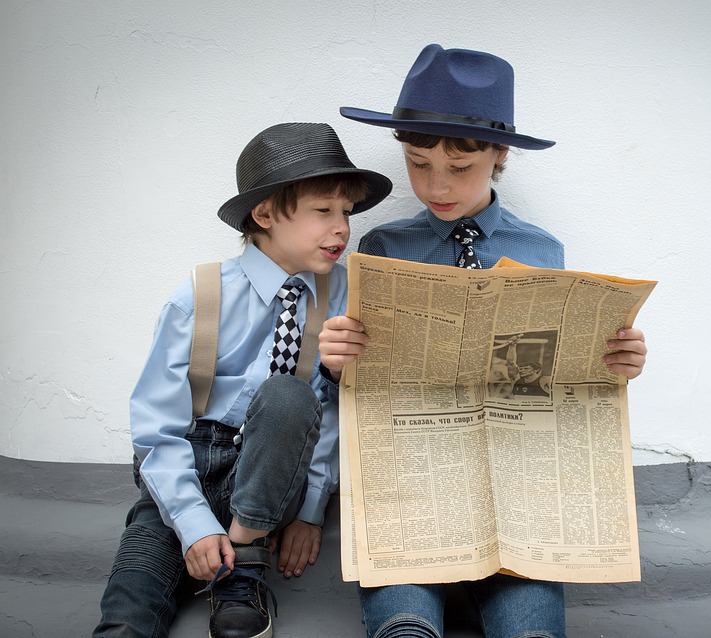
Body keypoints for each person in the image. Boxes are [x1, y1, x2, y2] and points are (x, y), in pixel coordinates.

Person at [320, 45, 647, 638]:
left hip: (517, 498)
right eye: (417, 164)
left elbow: (553, 383)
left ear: (499, 155)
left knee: (531, 630)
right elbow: (362, 387)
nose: (435, 185)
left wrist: (613, 363)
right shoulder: (382, 249)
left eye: (459, 168)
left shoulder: (542, 252)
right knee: (404, 626)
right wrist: (339, 362)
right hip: (411, 491)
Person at [93, 122, 392, 638]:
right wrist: (192, 524)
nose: (342, 227)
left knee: (288, 394)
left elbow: (336, 409)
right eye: (324, 211)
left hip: (276, 469)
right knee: (130, 604)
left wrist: (312, 511)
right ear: (264, 214)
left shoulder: (345, 292)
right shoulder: (200, 296)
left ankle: (244, 564)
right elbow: (155, 428)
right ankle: (177, 563)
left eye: (346, 212)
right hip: (193, 461)